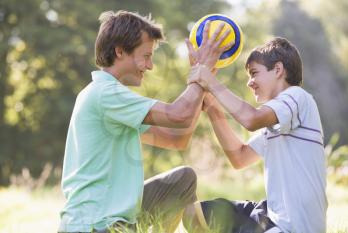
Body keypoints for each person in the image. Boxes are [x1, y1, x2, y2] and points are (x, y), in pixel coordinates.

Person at [58, 10, 232, 233]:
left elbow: (177, 139)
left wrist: (203, 85)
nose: (150, 66)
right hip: (95, 225)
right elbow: (179, 115)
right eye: (146, 56)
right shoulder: (105, 94)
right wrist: (201, 73)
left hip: (117, 219)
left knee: (183, 180)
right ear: (119, 51)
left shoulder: (115, 100)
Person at [183, 37, 327, 233]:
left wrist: (209, 80)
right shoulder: (275, 123)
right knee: (195, 213)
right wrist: (213, 109)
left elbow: (251, 119)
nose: (250, 83)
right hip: (270, 214)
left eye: (254, 73)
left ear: (278, 70)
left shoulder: (298, 97)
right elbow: (239, 157)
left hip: (293, 226)